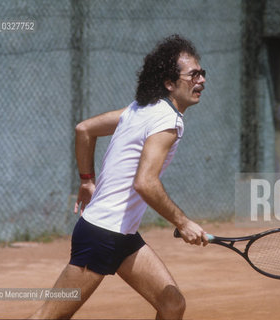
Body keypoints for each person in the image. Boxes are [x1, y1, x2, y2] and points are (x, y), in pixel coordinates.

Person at [30, 34, 208, 320]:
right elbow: (145, 183)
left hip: (121, 234)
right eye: (193, 75)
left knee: (172, 304)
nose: (201, 81)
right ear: (169, 83)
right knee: (48, 317)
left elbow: (84, 129)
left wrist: (87, 180)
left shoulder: (141, 109)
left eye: (202, 73)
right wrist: (183, 222)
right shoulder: (167, 121)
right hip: (102, 234)